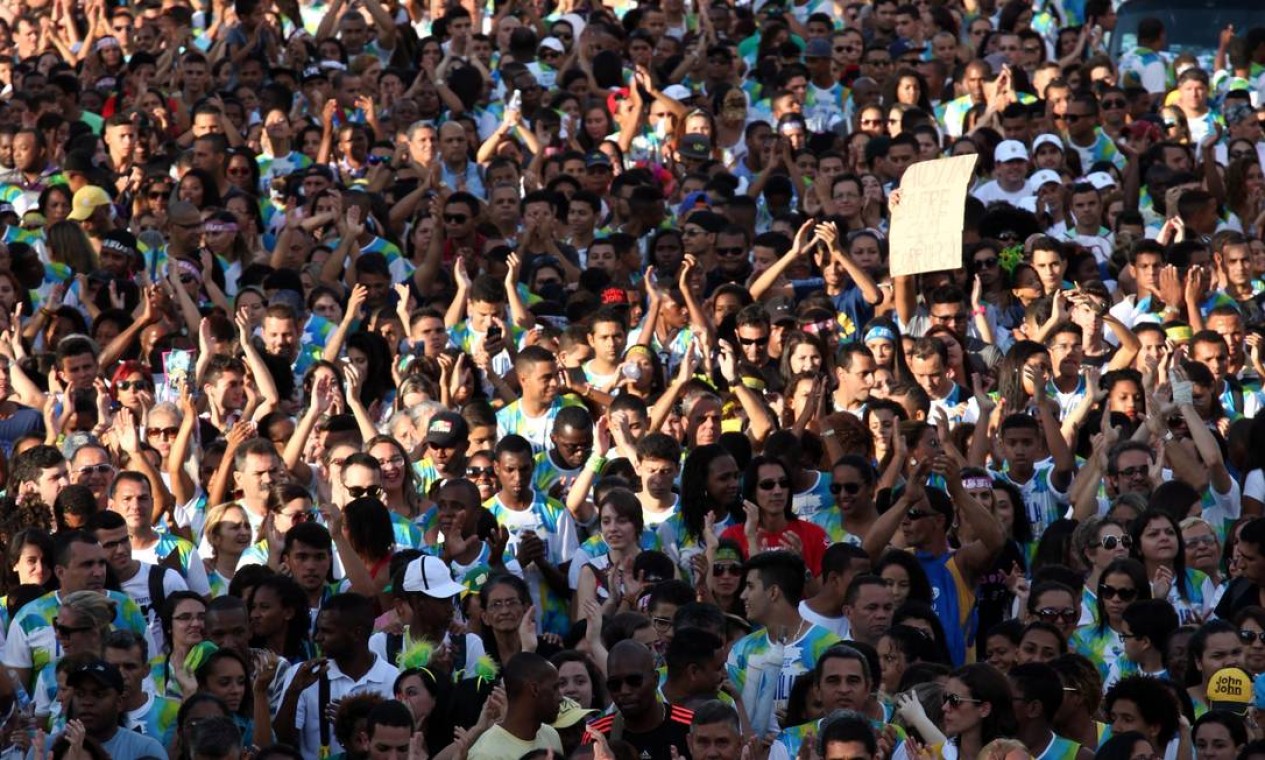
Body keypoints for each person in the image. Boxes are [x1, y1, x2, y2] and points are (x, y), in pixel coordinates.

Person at [588, 640, 695, 758]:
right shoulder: (596, 736)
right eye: (615, 684)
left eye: (634, 681)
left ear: (655, 679)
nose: (624, 691)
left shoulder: (691, 726)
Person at [467, 652, 563, 759]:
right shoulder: (486, 754)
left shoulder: (551, 735)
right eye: (554, 688)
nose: (561, 698)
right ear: (534, 689)